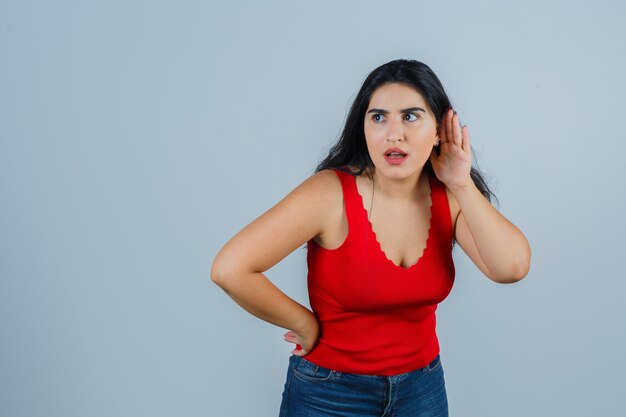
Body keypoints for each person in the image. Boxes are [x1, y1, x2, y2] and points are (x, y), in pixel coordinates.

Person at [211, 59, 531, 417]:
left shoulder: (450, 196)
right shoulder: (330, 194)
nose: (393, 134)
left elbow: (511, 267)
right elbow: (230, 268)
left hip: (421, 390)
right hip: (329, 393)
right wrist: (303, 322)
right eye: (378, 117)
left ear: (441, 129)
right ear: (363, 127)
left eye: (410, 116)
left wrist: (461, 183)